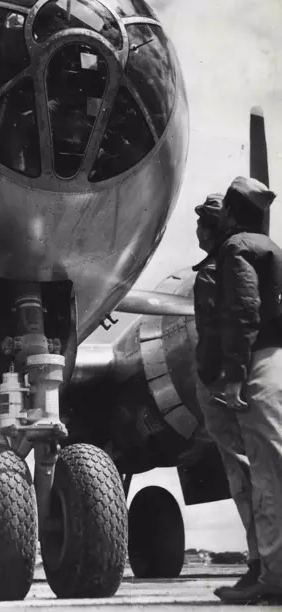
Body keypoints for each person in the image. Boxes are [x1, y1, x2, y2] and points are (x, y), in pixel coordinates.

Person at [212, 176, 282, 604]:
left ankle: (272, 577)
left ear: (234, 213)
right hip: (277, 359)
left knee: (265, 474)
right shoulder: (273, 250)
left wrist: (235, 374)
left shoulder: (235, 248)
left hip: (255, 363)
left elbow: (243, 311)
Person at [192, 192, 261, 596]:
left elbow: (227, 329)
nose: (197, 229)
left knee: (243, 473)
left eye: (202, 221)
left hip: (222, 384)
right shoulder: (247, 266)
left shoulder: (216, 272)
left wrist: (215, 376)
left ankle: (259, 564)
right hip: (241, 378)